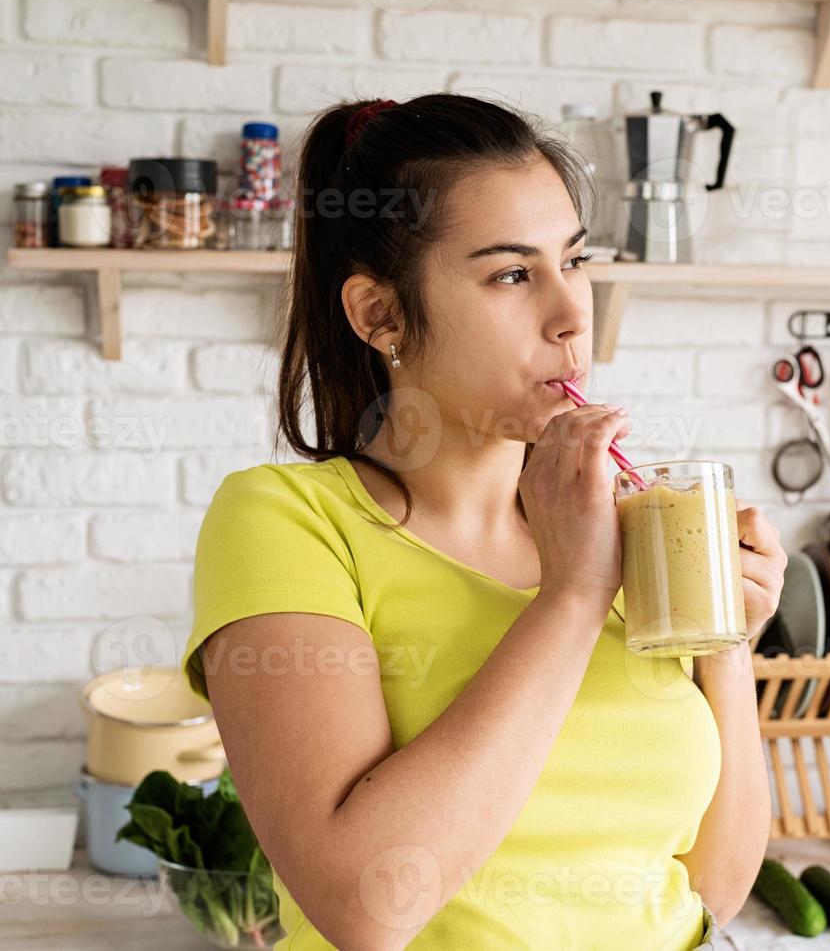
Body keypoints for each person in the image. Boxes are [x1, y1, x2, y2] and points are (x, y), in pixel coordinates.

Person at [180, 94, 786, 951]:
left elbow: (709, 894)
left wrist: (725, 638)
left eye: (573, 261)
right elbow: (367, 907)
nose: (572, 313)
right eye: (511, 274)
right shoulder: (285, 524)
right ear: (379, 315)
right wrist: (573, 595)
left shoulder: (635, 529)